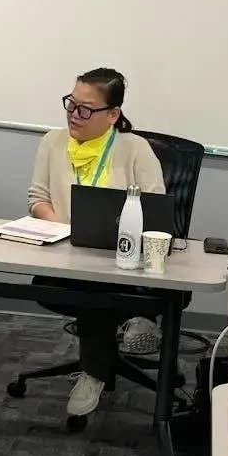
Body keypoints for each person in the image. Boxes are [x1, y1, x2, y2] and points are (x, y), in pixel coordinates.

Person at [27, 68, 164, 419]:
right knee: (89, 292)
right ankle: (133, 322)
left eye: (86, 109)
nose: (75, 114)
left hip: (121, 260)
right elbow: (37, 198)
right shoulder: (52, 142)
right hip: (65, 257)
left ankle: (95, 372)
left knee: (98, 293)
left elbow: (156, 211)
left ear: (113, 114)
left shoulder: (135, 149)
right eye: (71, 104)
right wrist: (59, 225)